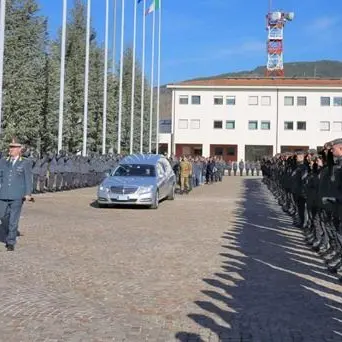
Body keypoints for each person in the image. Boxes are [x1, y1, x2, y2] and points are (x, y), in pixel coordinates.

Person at [0, 138, 33, 251]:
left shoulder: (25, 162)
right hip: (3, 194)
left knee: (14, 219)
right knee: (2, 217)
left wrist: (28, 193)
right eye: (10, 147)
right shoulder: (3, 161)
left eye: (13, 148)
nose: (11, 149)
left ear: (19, 150)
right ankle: (9, 231)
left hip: (17, 195)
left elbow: (28, 179)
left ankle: (10, 241)